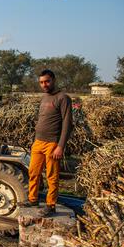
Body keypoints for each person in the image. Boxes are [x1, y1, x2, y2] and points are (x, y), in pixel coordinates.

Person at [18, 70, 73, 217]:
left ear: (53, 80)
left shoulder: (63, 98)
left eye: (47, 81)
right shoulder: (44, 98)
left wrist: (60, 146)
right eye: (41, 82)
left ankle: (51, 205)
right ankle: (33, 199)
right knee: (33, 172)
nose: (44, 85)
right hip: (38, 142)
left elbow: (67, 124)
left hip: (52, 144)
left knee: (52, 176)